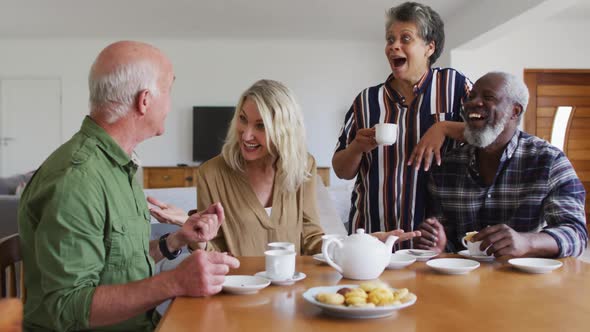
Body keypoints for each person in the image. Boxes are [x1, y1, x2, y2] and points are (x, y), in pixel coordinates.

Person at [18, 41, 239, 331]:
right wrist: (175, 281)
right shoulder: (76, 181)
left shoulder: (118, 167)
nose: (171, 104)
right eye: (169, 90)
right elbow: (67, 306)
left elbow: (115, 264)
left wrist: (176, 240)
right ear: (144, 101)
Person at [148, 79, 420, 256]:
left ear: (284, 130)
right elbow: (211, 247)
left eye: (261, 126)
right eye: (243, 120)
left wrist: (362, 245)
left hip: (292, 294)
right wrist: (191, 230)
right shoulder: (211, 173)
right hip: (235, 294)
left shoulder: (304, 166)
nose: (245, 135)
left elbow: (312, 239)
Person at [332, 2, 470, 248]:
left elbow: (490, 135)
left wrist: (444, 128)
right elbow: (341, 171)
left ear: (429, 47)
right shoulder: (365, 101)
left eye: (405, 38)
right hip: (372, 238)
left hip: (437, 242)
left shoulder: (455, 85)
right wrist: (356, 148)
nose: (393, 46)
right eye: (390, 39)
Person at [415, 71, 588, 258]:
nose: (473, 102)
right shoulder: (446, 167)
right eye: (471, 97)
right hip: (463, 281)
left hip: (526, 283)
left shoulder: (549, 161)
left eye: (488, 97)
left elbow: (576, 234)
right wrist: (439, 244)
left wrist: (526, 242)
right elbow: (447, 239)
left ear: (515, 111)